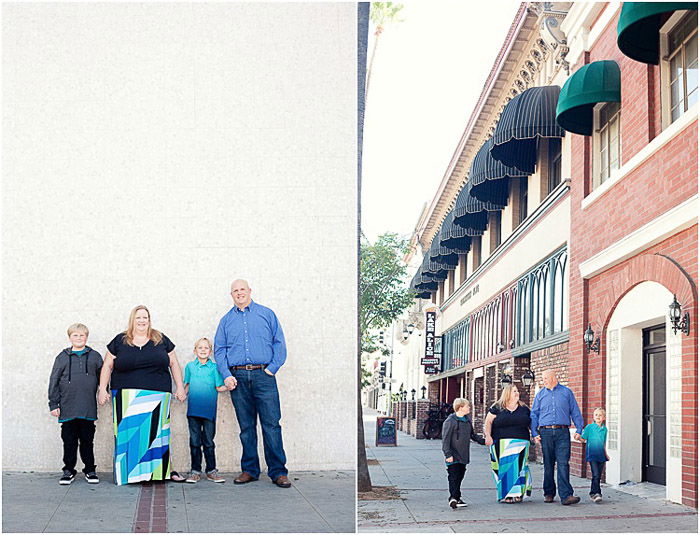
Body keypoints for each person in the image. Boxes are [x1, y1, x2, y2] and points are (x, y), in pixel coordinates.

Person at [98, 305, 187, 485]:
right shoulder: (119, 340)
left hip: (157, 397)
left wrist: (180, 387)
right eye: (138, 317)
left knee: (156, 437)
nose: (141, 320)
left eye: (145, 317)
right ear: (133, 319)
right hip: (126, 398)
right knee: (129, 437)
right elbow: (107, 365)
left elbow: (174, 364)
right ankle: (129, 474)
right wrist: (102, 389)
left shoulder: (160, 339)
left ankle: (156, 474)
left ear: (149, 319)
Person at [214, 279, 291, 488]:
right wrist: (226, 375)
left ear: (250, 291)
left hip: (263, 376)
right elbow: (219, 350)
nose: (239, 293)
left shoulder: (267, 314)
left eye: (242, 289)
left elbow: (279, 343)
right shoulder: (226, 321)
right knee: (246, 427)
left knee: (271, 425)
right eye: (235, 291)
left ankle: (278, 472)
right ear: (231, 295)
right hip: (237, 379)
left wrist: (271, 369)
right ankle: (249, 470)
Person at [48, 323, 103, 485]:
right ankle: (68, 470)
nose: (79, 338)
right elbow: (54, 380)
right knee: (69, 440)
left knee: (87, 440)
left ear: (87, 337)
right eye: (75, 335)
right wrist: (53, 403)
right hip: (67, 407)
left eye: (82, 335)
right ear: (70, 337)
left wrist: (104, 392)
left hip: (87, 407)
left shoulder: (95, 356)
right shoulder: (62, 357)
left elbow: (103, 377)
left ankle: (90, 469)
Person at [530, 369, 584, 505]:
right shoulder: (540, 395)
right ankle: (549, 493)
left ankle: (566, 496)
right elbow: (534, 415)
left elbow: (575, 411)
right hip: (545, 433)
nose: (544, 381)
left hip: (562, 432)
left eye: (546, 378)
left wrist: (579, 429)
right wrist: (535, 433)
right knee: (548, 465)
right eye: (543, 379)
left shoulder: (566, 392)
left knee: (563, 463)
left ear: (554, 377)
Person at [183, 337, 228, 483]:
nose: (203, 350)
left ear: (210, 351)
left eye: (206, 348)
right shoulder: (190, 366)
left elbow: (219, 387)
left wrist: (230, 385)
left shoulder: (214, 368)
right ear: (195, 350)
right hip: (193, 411)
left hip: (209, 411)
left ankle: (211, 471)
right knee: (195, 441)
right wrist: (181, 393)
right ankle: (195, 471)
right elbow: (187, 385)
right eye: (200, 348)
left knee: (208, 441)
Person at [484, 383, 532, 503]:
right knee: (505, 469)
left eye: (517, 391)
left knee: (520, 468)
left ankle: (519, 493)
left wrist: (536, 435)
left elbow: (531, 423)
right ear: (507, 393)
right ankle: (507, 494)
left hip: (521, 443)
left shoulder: (524, 408)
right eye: (514, 391)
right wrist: (488, 436)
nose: (517, 393)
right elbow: (488, 422)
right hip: (502, 442)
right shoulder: (497, 407)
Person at [441, 398, 485, 509]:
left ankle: (456, 497)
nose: (469, 408)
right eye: (467, 406)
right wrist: (448, 454)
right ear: (460, 407)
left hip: (463, 454)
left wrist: (484, 441)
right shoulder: (450, 421)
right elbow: (445, 440)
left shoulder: (467, 421)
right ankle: (453, 498)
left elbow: (473, 435)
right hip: (453, 455)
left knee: (460, 476)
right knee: (453, 476)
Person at [579, 407, 609, 503]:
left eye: (600, 415)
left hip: (601, 455)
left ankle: (593, 493)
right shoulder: (589, 427)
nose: (598, 417)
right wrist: (578, 438)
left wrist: (606, 454)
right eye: (596, 415)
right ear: (593, 416)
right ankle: (597, 493)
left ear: (604, 417)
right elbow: (583, 439)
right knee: (595, 474)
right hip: (592, 455)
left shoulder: (604, 429)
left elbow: (604, 443)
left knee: (598, 476)